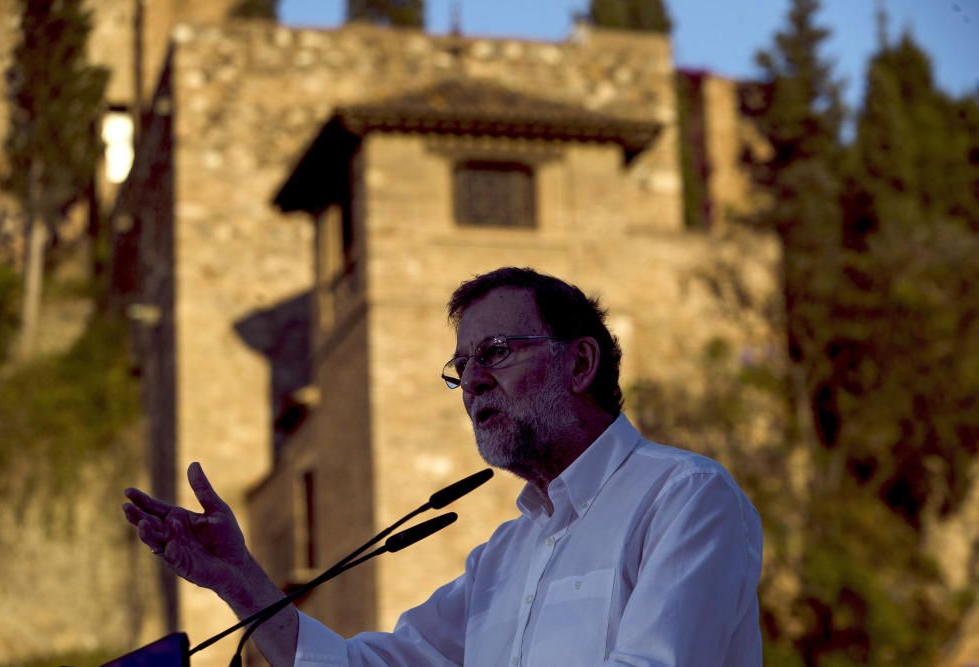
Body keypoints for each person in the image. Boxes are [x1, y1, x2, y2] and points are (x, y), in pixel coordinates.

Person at [123, 267, 763, 666]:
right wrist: (240, 580)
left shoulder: (685, 499)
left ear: (579, 364)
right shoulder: (502, 559)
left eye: (497, 352)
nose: (473, 382)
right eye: (461, 367)